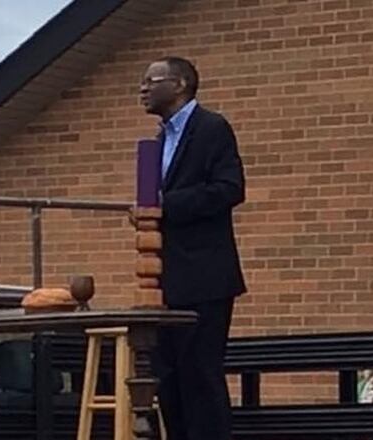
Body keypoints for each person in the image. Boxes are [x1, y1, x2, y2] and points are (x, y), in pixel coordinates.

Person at [137, 56, 246, 440]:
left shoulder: (211, 128)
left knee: (200, 377)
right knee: (169, 379)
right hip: (166, 278)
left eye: (152, 80)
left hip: (206, 276)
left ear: (180, 83)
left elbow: (230, 189)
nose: (143, 88)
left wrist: (169, 205)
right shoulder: (158, 140)